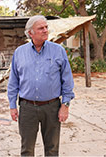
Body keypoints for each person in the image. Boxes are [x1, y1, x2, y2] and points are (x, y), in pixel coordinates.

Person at [7, 15, 75, 156]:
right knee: (27, 149)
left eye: (46, 27)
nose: (45, 30)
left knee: (52, 149)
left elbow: (67, 81)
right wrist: (12, 105)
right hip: (27, 108)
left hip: (52, 107)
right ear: (30, 33)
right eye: (41, 28)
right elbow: (13, 82)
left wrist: (65, 105)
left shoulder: (58, 51)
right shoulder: (20, 53)